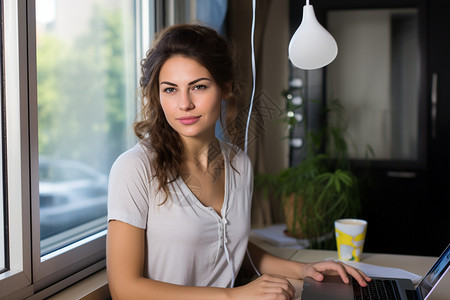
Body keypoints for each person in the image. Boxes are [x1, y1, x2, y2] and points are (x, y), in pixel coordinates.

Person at [106, 23, 371, 300]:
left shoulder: (239, 164)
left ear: (225, 89)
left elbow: (229, 245)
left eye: (198, 87)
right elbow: (125, 289)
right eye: (170, 90)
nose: (184, 103)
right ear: (158, 96)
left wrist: (304, 269)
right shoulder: (134, 169)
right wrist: (234, 296)